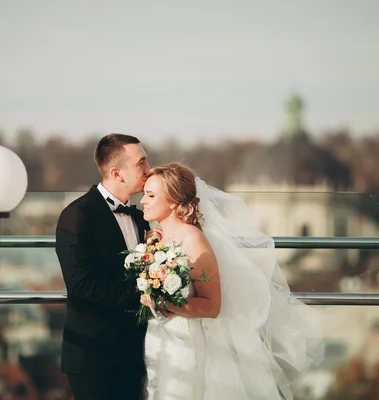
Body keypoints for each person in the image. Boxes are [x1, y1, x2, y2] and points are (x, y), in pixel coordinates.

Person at [140, 163, 324, 400]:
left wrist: (165, 304)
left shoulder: (193, 240)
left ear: (174, 201)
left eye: (151, 195)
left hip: (183, 343)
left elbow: (212, 306)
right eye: (144, 193)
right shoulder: (157, 236)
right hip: (156, 340)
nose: (143, 200)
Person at [55, 133, 152, 400]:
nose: (149, 170)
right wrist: (146, 297)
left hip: (137, 353)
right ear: (117, 173)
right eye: (141, 163)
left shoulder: (142, 217)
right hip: (94, 356)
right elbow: (82, 285)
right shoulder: (77, 215)